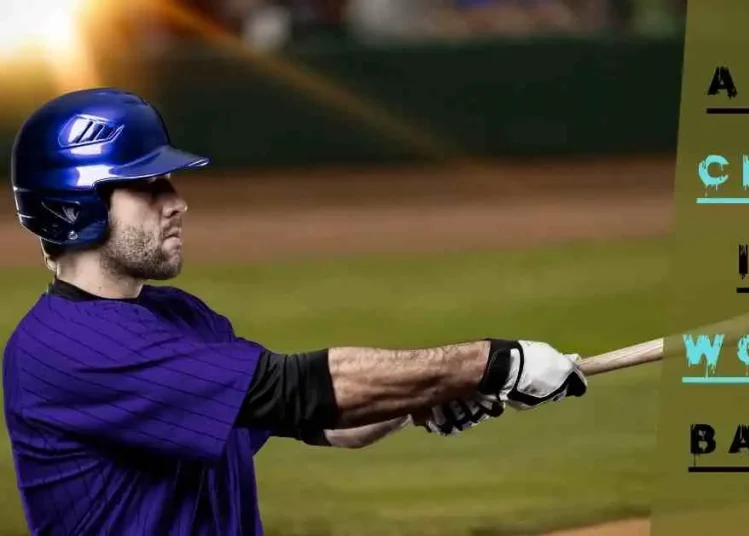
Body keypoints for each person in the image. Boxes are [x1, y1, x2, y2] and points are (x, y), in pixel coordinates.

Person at [2, 88, 588, 535]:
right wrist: (494, 363)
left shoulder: (181, 317)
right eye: (149, 186)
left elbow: (317, 422)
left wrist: (418, 401)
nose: (177, 203)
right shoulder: (65, 348)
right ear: (76, 201)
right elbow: (293, 390)